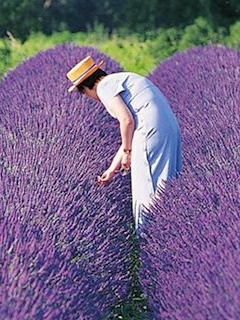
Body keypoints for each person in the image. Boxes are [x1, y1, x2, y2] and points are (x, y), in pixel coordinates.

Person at [66, 55, 182, 234]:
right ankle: (173, 232)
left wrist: (128, 152)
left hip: (151, 130)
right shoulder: (120, 79)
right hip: (167, 127)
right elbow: (132, 127)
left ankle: (151, 238)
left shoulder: (104, 87)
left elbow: (127, 121)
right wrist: (112, 169)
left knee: (148, 187)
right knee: (166, 182)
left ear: (86, 88)